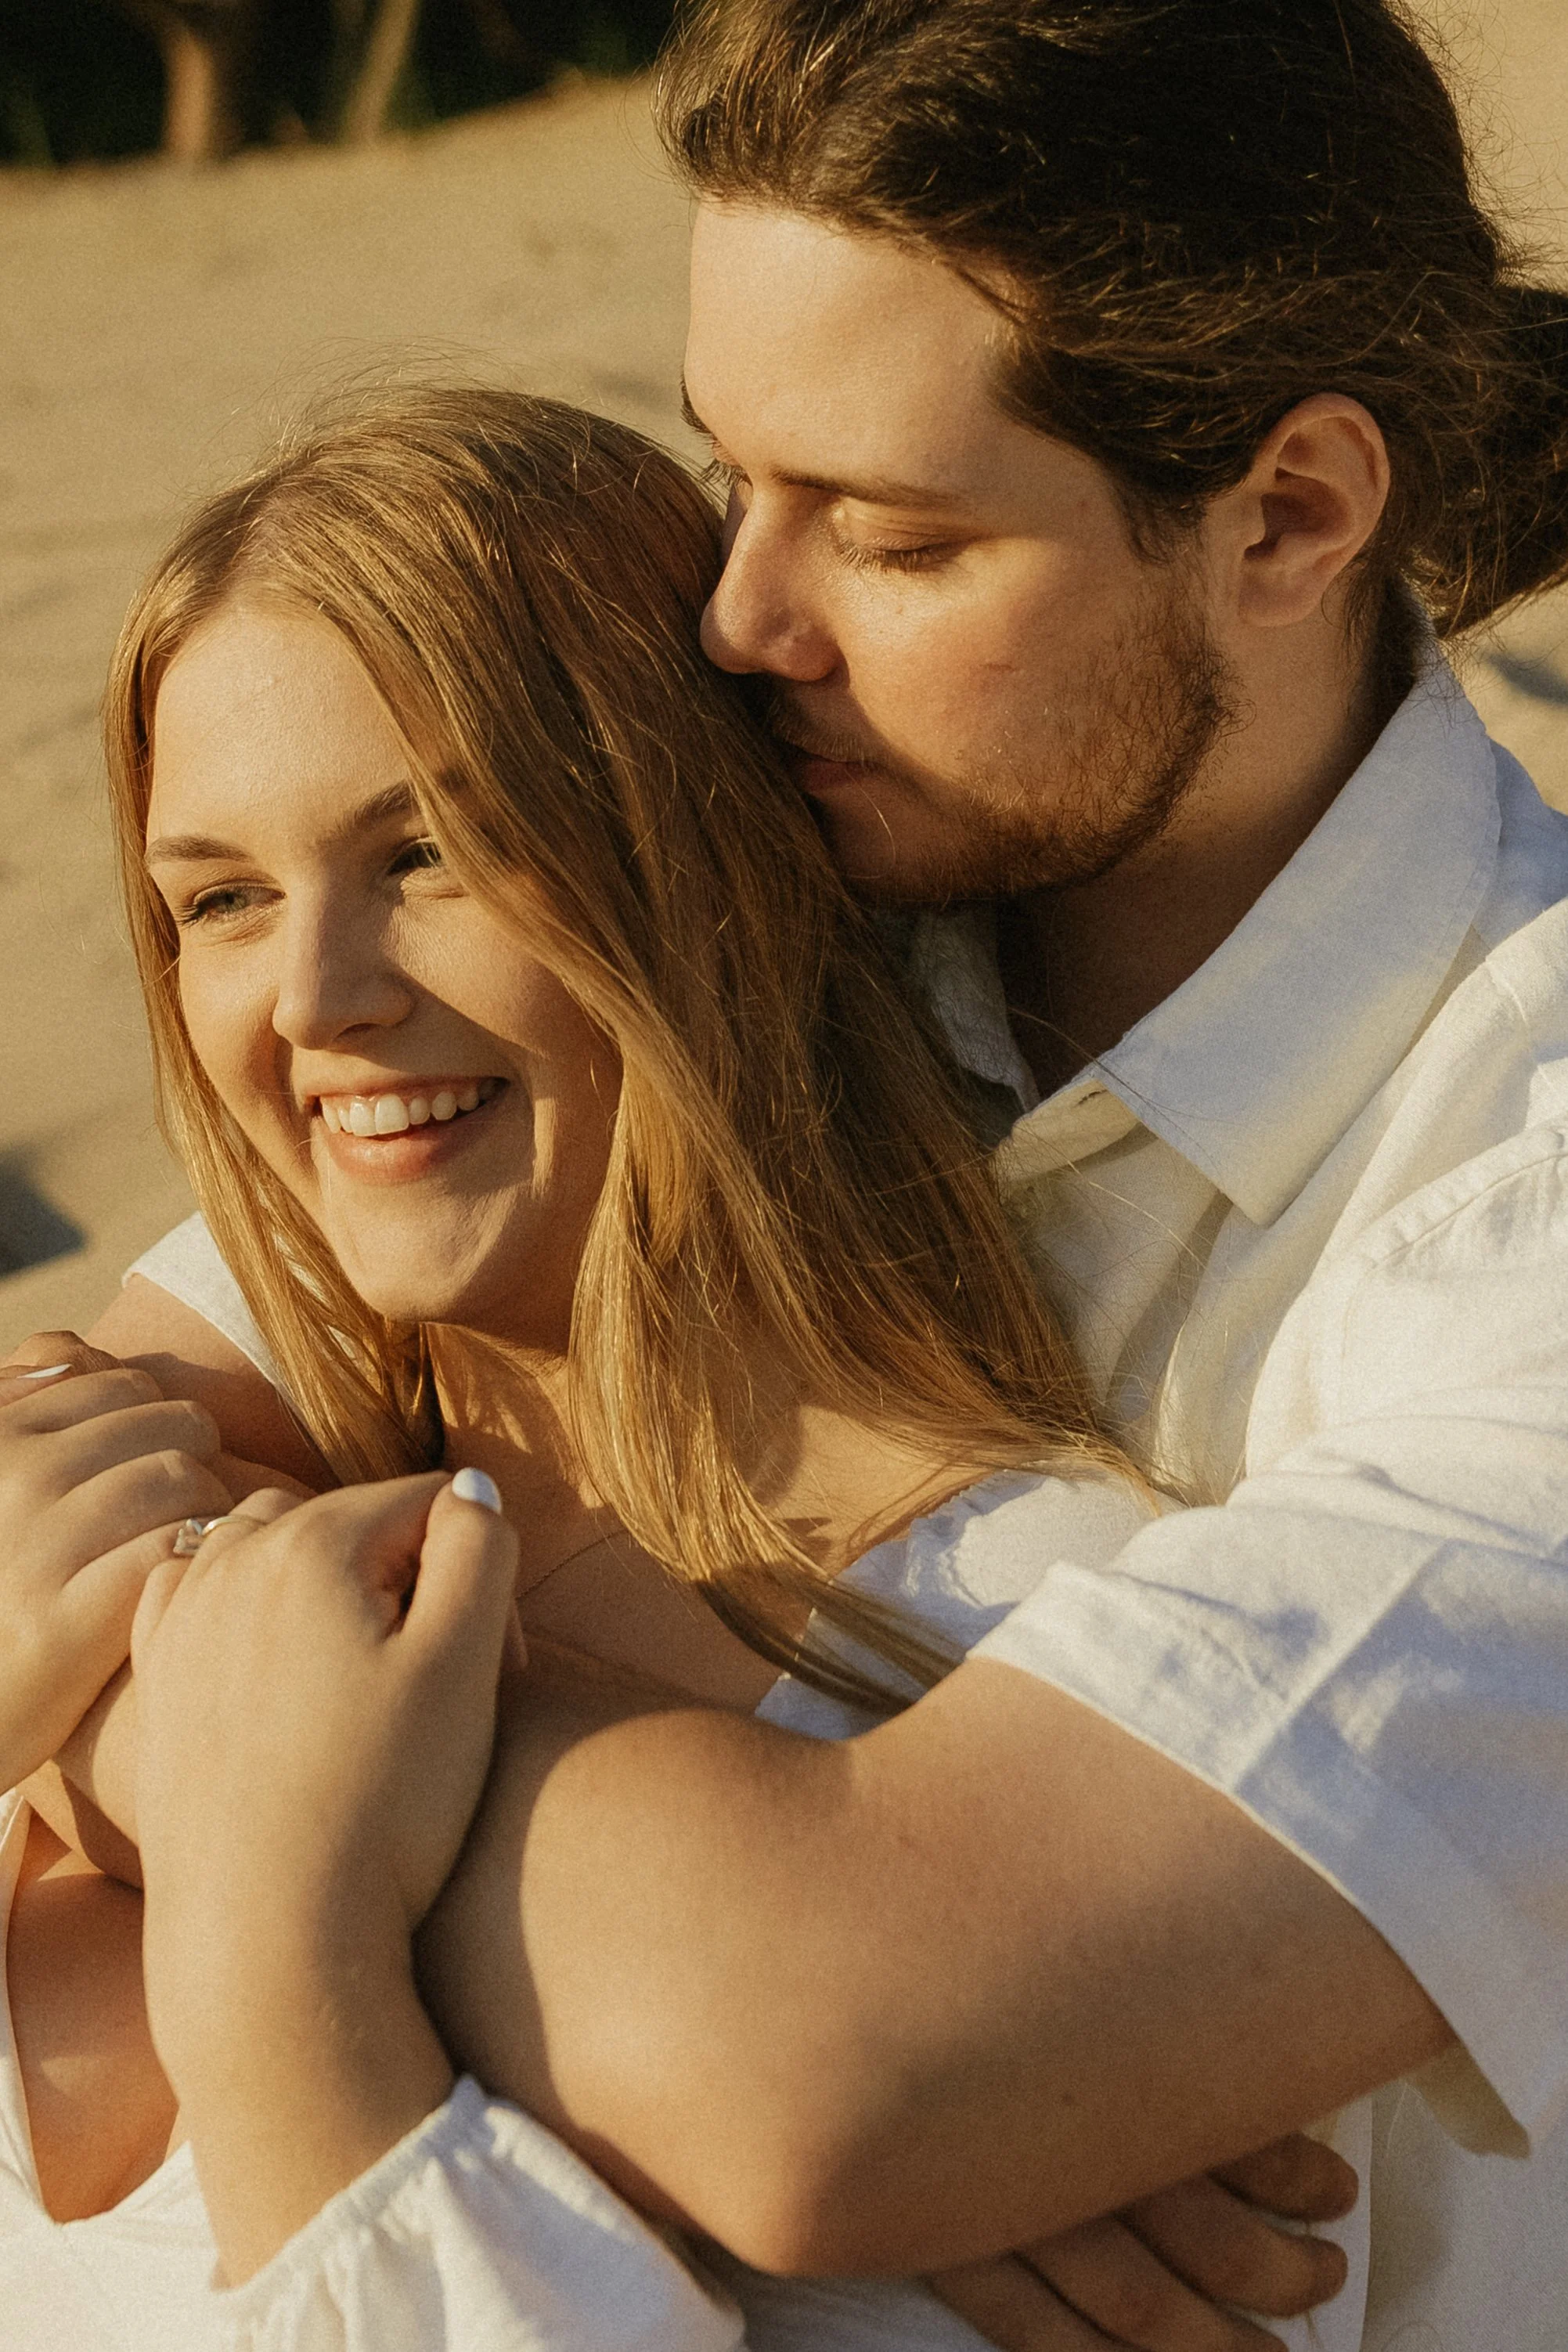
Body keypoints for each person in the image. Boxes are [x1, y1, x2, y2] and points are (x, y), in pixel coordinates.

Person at [69, 2, 1568, 2345]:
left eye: (888, 533)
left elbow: (827, 2055)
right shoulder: (794, 873)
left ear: (1288, 514)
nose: (743, 624)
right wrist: (593, 2005)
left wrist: (776, 2032)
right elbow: (93, 1429)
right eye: (726, 474)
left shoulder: (1525, 1207)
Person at [0, 388, 1348, 2350]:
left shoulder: (1021, 1681)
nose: (314, 996)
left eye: (436, 850)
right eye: (219, 897)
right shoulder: (162, 1458)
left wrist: (300, 1960)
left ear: (705, 849)